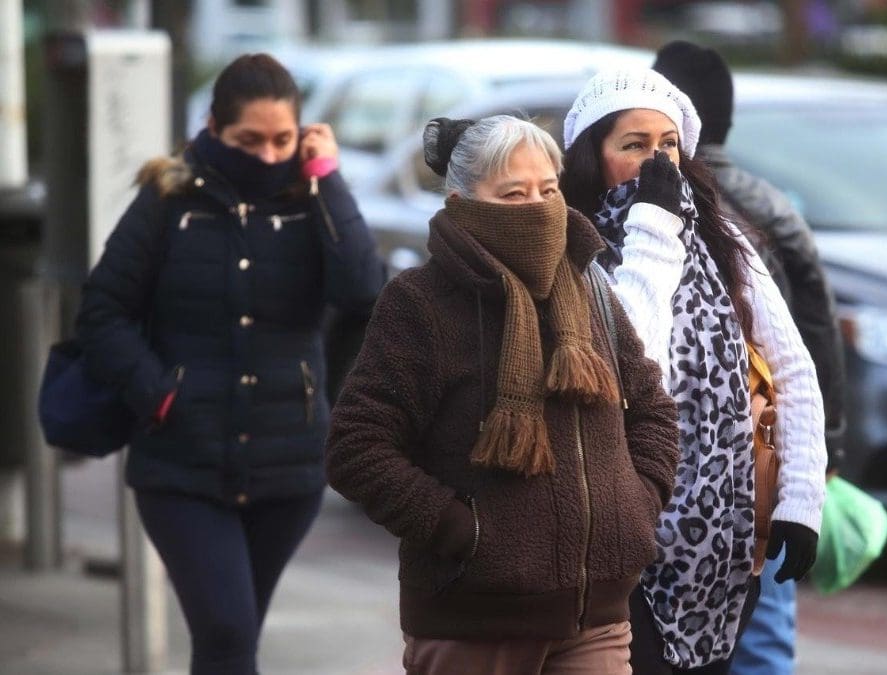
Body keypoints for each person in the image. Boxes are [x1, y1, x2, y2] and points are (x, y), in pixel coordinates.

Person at [324, 115, 680, 674]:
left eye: (548, 189)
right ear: (465, 200)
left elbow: (652, 407)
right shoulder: (420, 303)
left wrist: (637, 504)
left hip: (596, 618)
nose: (538, 208)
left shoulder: (589, 288)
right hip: (474, 621)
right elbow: (356, 448)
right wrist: (462, 531)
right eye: (514, 194)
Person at [76, 53, 386, 674]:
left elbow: (363, 292)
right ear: (213, 128)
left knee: (230, 641)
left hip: (287, 468)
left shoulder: (312, 202)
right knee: (226, 631)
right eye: (249, 140)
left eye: (282, 140)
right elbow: (101, 313)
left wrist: (328, 175)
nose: (268, 157)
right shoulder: (169, 199)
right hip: (181, 464)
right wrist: (161, 396)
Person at [560, 68, 827, 675]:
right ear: (591, 157)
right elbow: (629, 371)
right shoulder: (573, 246)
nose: (656, 161)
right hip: (620, 537)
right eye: (633, 145)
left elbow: (792, 367)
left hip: (723, 542)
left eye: (668, 145)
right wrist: (654, 227)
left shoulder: (721, 235)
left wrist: (801, 502)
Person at [652, 41, 848, 675]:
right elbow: (817, 326)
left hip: (734, 463)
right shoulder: (768, 202)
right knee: (762, 629)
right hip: (767, 452)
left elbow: (801, 341)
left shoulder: (704, 210)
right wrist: (824, 454)